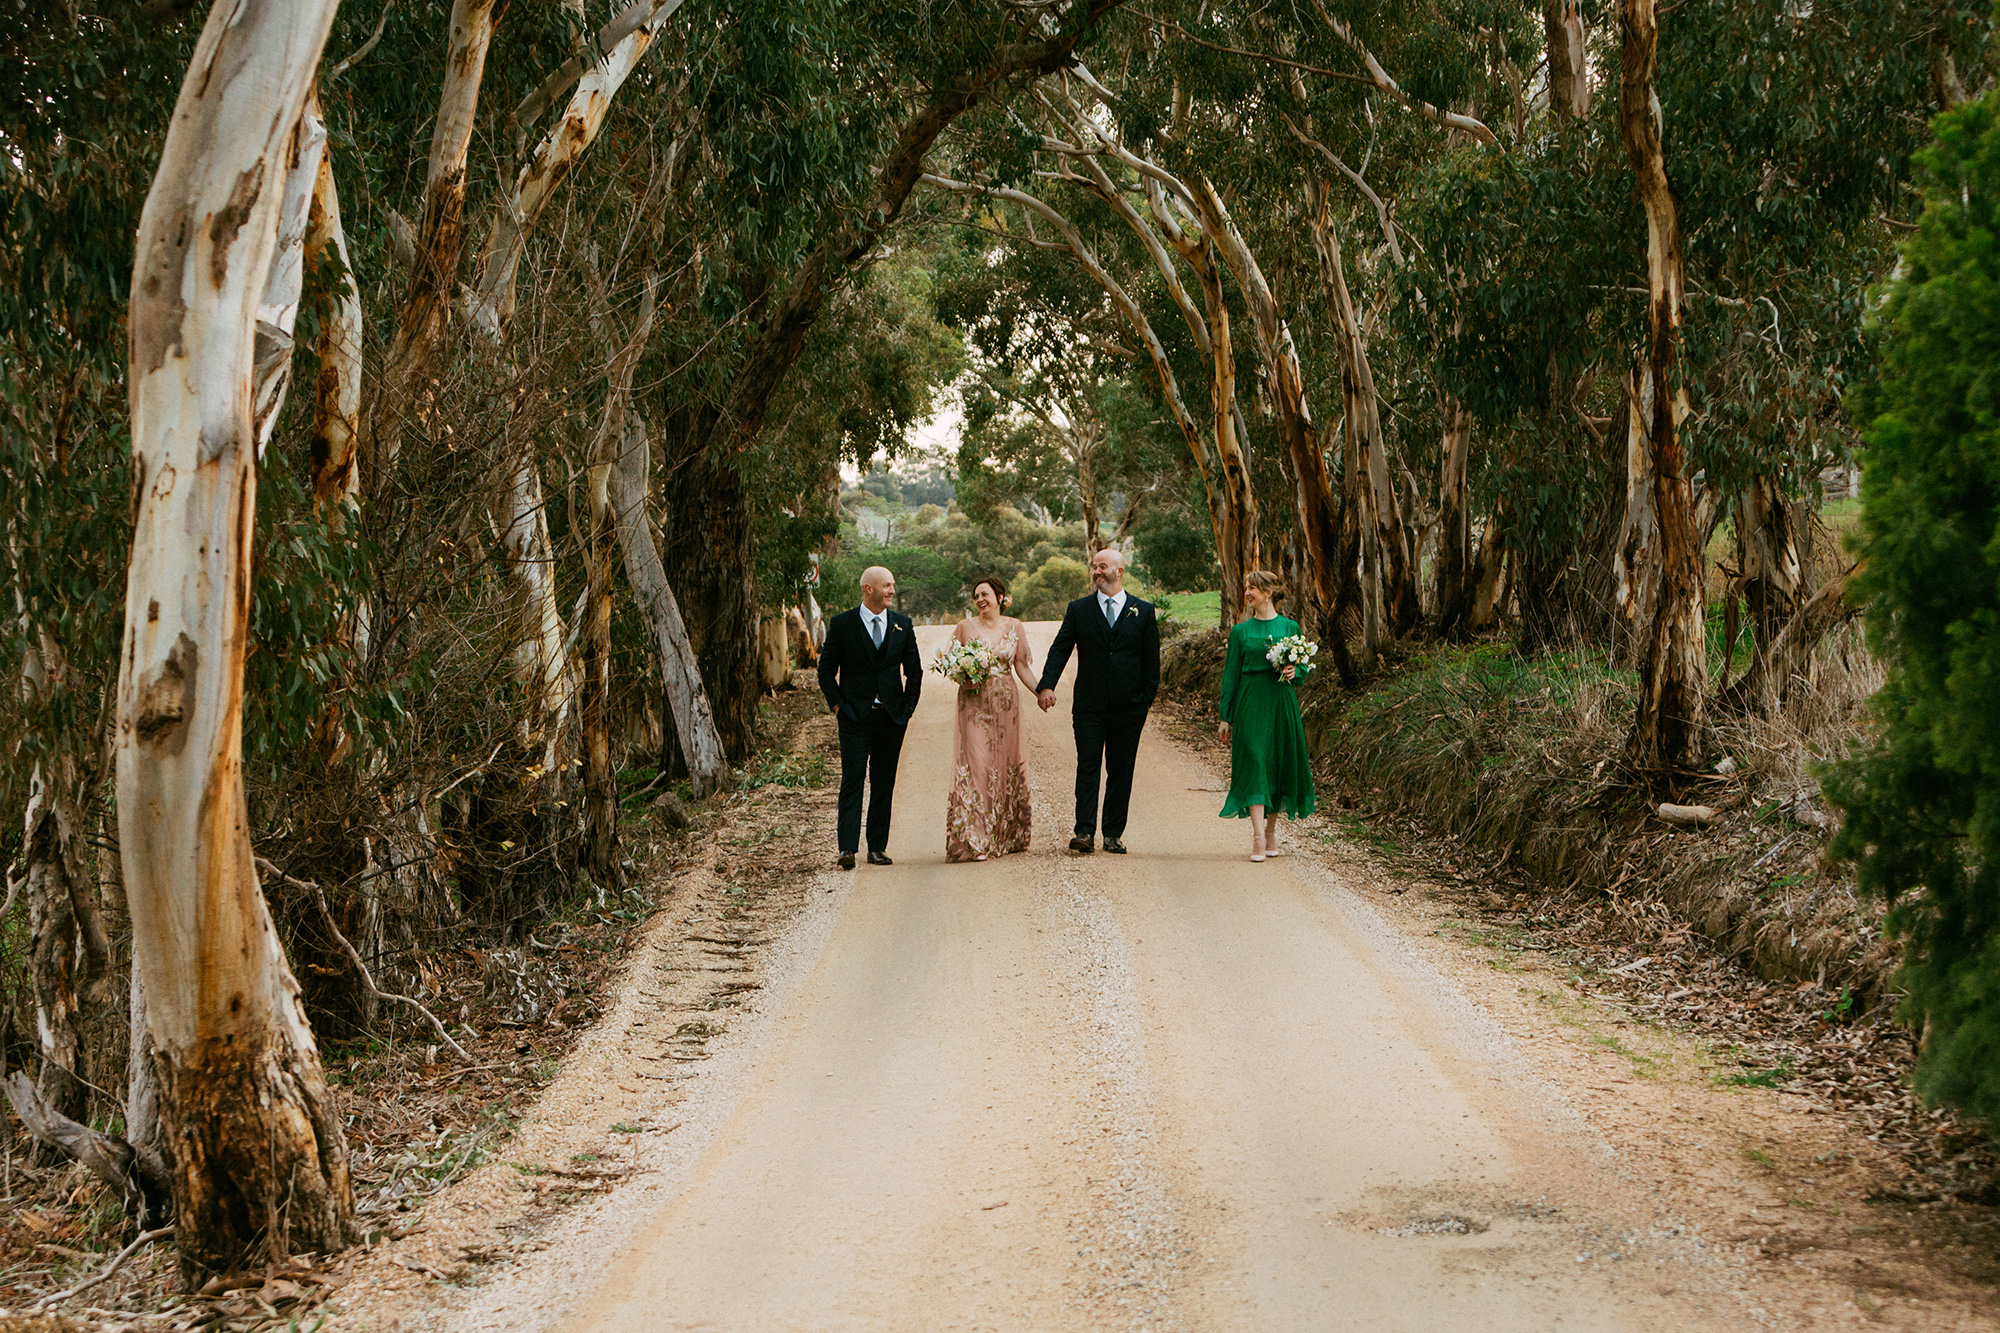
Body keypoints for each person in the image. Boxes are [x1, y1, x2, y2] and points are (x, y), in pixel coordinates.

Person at [1036, 548, 1160, 854]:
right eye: (1094, 567)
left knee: (1121, 769)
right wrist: (1046, 685)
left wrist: (1145, 700)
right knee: (1088, 766)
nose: (1096, 572)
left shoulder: (1142, 611)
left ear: (1119, 571)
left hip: (1129, 707)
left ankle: (1113, 834)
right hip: (1089, 706)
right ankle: (1085, 832)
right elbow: (1060, 648)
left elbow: (1151, 661)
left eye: (1102, 567)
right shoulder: (1079, 610)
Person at [817, 566, 922, 869]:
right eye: (886, 585)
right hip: (854, 716)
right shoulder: (842, 624)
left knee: (884, 781)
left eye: (892, 585)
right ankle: (847, 848)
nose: (892, 590)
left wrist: (907, 708)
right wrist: (838, 706)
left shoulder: (903, 624)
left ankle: (877, 847)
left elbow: (914, 672)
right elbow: (826, 671)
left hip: (892, 717)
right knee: (853, 779)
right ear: (868, 589)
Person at [1217, 570, 1317, 861]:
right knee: (1256, 762)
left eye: (1254, 588)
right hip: (1250, 703)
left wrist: (1294, 670)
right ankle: (1258, 837)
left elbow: (1302, 671)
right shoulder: (1240, 631)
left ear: (1268, 592)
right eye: (1247, 587)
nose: (1248, 592)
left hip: (1280, 702)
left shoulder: (1289, 627)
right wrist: (1226, 715)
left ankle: (1271, 833)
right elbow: (1230, 675)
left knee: (1275, 765)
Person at [946, 576, 1041, 863]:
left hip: (1006, 704)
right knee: (978, 766)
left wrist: (1040, 691)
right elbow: (951, 664)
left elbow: (1021, 665)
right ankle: (976, 839)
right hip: (974, 703)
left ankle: (1005, 834)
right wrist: (966, 675)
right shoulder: (964, 628)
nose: (979, 600)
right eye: (976, 596)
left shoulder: (1015, 627)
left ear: (1000, 597)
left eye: (985, 594)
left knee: (1005, 765)